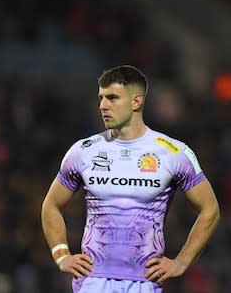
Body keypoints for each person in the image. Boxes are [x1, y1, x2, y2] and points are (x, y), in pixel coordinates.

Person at [41, 65, 220, 293]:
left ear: (136, 102)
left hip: (144, 283)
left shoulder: (174, 153)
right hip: (93, 281)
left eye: (112, 98)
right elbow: (51, 205)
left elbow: (210, 209)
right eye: (101, 98)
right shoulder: (83, 151)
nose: (102, 105)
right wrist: (61, 254)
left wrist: (182, 261)